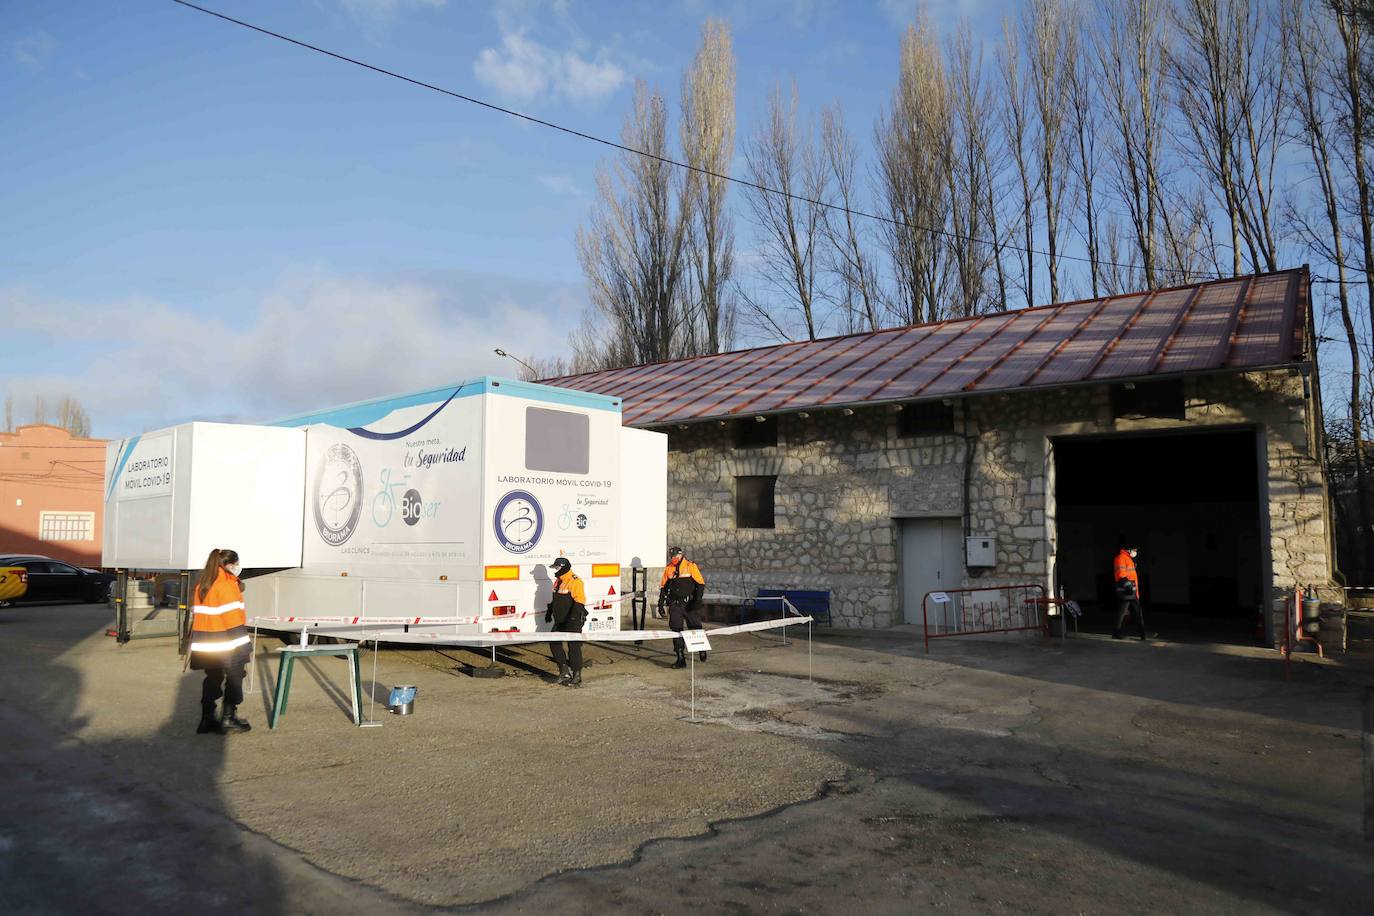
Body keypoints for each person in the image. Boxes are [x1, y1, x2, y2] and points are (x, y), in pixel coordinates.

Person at [189, 548, 253, 734]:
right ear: (228, 565)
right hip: (226, 643)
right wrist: (244, 649)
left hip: (206, 643)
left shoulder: (203, 584)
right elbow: (232, 620)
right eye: (236, 564)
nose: (237, 567)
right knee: (235, 678)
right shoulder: (226, 585)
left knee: (213, 678)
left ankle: (207, 718)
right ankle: (228, 717)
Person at [659, 546, 706, 669]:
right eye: (672, 556)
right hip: (675, 605)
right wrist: (660, 604)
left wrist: (697, 600)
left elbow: (700, 584)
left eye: (675, 556)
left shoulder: (690, 566)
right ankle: (680, 658)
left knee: (695, 627)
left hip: (689, 604)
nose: (673, 558)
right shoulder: (668, 568)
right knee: (676, 630)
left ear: (680, 555)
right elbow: (664, 587)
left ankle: (701, 649)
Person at [545, 557, 588, 687]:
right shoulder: (558, 581)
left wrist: (573, 618)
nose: (555, 570)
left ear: (563, 567)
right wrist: (549, 611)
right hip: (560, 620)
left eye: (557, 567)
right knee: (554, 643)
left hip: (573, 619)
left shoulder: (575, 581)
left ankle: (577, 675)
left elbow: (580, 601)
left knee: (574, 648)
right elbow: (555, 599)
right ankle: (563, 670)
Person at [1112, 545, 1147, 640]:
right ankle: (1117, 632)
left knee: (1137, 611)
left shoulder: (1129, 559)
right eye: (1134, 550)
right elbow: (1121, 573)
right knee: (1123, 612)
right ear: (1128, 550)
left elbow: (1131, 573)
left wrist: (1135, 561)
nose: (1135, 552)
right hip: (1127, 589)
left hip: (1132, 590)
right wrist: (1127, 585)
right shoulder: (1120, 558)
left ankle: (1142, 633)